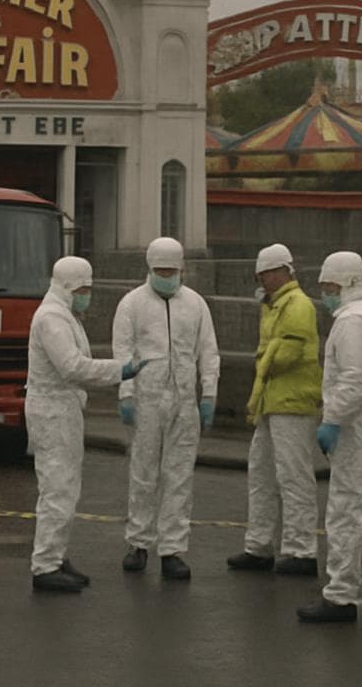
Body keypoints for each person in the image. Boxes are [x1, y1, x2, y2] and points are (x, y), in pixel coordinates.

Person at [26, 257, 150, 592]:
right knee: (57, 489)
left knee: (66, 487)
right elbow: (71, 367)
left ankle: (56, 555)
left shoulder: (64, 314)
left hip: (62, 409)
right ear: (68, 286)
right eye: (83, 288)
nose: (87, 295)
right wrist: (120, 370)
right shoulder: (52, 318)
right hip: (52, 410)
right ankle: (45, 565)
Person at [297, 251, 362, 623]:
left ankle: (340, 595)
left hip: (359, 428)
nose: (325, 294)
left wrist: (332, 420)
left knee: (345, 510)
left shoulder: (353, 322)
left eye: (329, 287)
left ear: (345, 284)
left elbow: (354, 380)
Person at [112, 236, 221, 580]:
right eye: (161, 270)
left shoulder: (195, 304)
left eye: (172, 271)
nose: (167, 276)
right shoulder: (131, 304)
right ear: (149, 268)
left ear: (181, 269)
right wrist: (126, 394)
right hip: (146, 400)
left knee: (179, 476)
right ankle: (139, 543)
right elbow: (123, 351)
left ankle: (172, 548)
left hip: (184, 401)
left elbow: (209, 351)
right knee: (144, 473)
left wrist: (208, 395)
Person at [228, 243, 322, 576]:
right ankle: (259, 545)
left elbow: (286, 355)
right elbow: (276, 351)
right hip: (273, 402)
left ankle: (301, 551)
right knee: (262, 474)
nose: (262, 280)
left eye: (266, 274)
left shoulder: (296, 305)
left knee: (293, 477)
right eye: (260, 275)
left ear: (283, 271)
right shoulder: (275, 305)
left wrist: (263, 366)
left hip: (292, 402)